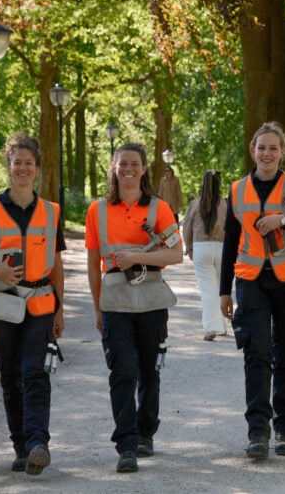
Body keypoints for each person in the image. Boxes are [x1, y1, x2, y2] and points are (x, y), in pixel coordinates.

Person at [219, 121, 285, 459]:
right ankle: (258, 432)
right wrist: (224, 291)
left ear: (282, 153)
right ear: (253, 150)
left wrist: (283, 220)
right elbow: (230, 243)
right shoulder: (236, 190)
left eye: (273, 148)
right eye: (261, 147)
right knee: (257, 355)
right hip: (250, 282)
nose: (267, 153)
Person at [0, 133, 66, 475]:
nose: (22, 168)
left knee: (34, 372)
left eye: (28, 163)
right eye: (16, 163)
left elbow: (57, 261)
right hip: (3, 304)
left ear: (37, 169)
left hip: (40, 302)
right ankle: (21, 447)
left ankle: (39, 442)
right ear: (9, 168)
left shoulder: (52, 212)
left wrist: (60, 308)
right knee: (10, 374)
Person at [85, 142, 184, 473]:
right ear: (114, 168)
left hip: (152, 298)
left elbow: (175, 254)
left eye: (135, 164)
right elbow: (91, 261)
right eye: (122, 163)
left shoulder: (159, 209)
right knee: (122, 371)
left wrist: (137, 256)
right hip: (114, 299)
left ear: (144, 169)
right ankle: (126, 444)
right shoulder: (96, 211)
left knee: (149, 370)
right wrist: (97, 307)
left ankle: (146, 432)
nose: (128, 168)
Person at [182, 169, 228, 341]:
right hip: (222, 247)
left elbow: (187, 228)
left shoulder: (195, 204)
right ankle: (222, 326)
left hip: (201, 247)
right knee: (221, 288)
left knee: (208, 289)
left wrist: (189, 248)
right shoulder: (225, 204)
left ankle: (212, 327)